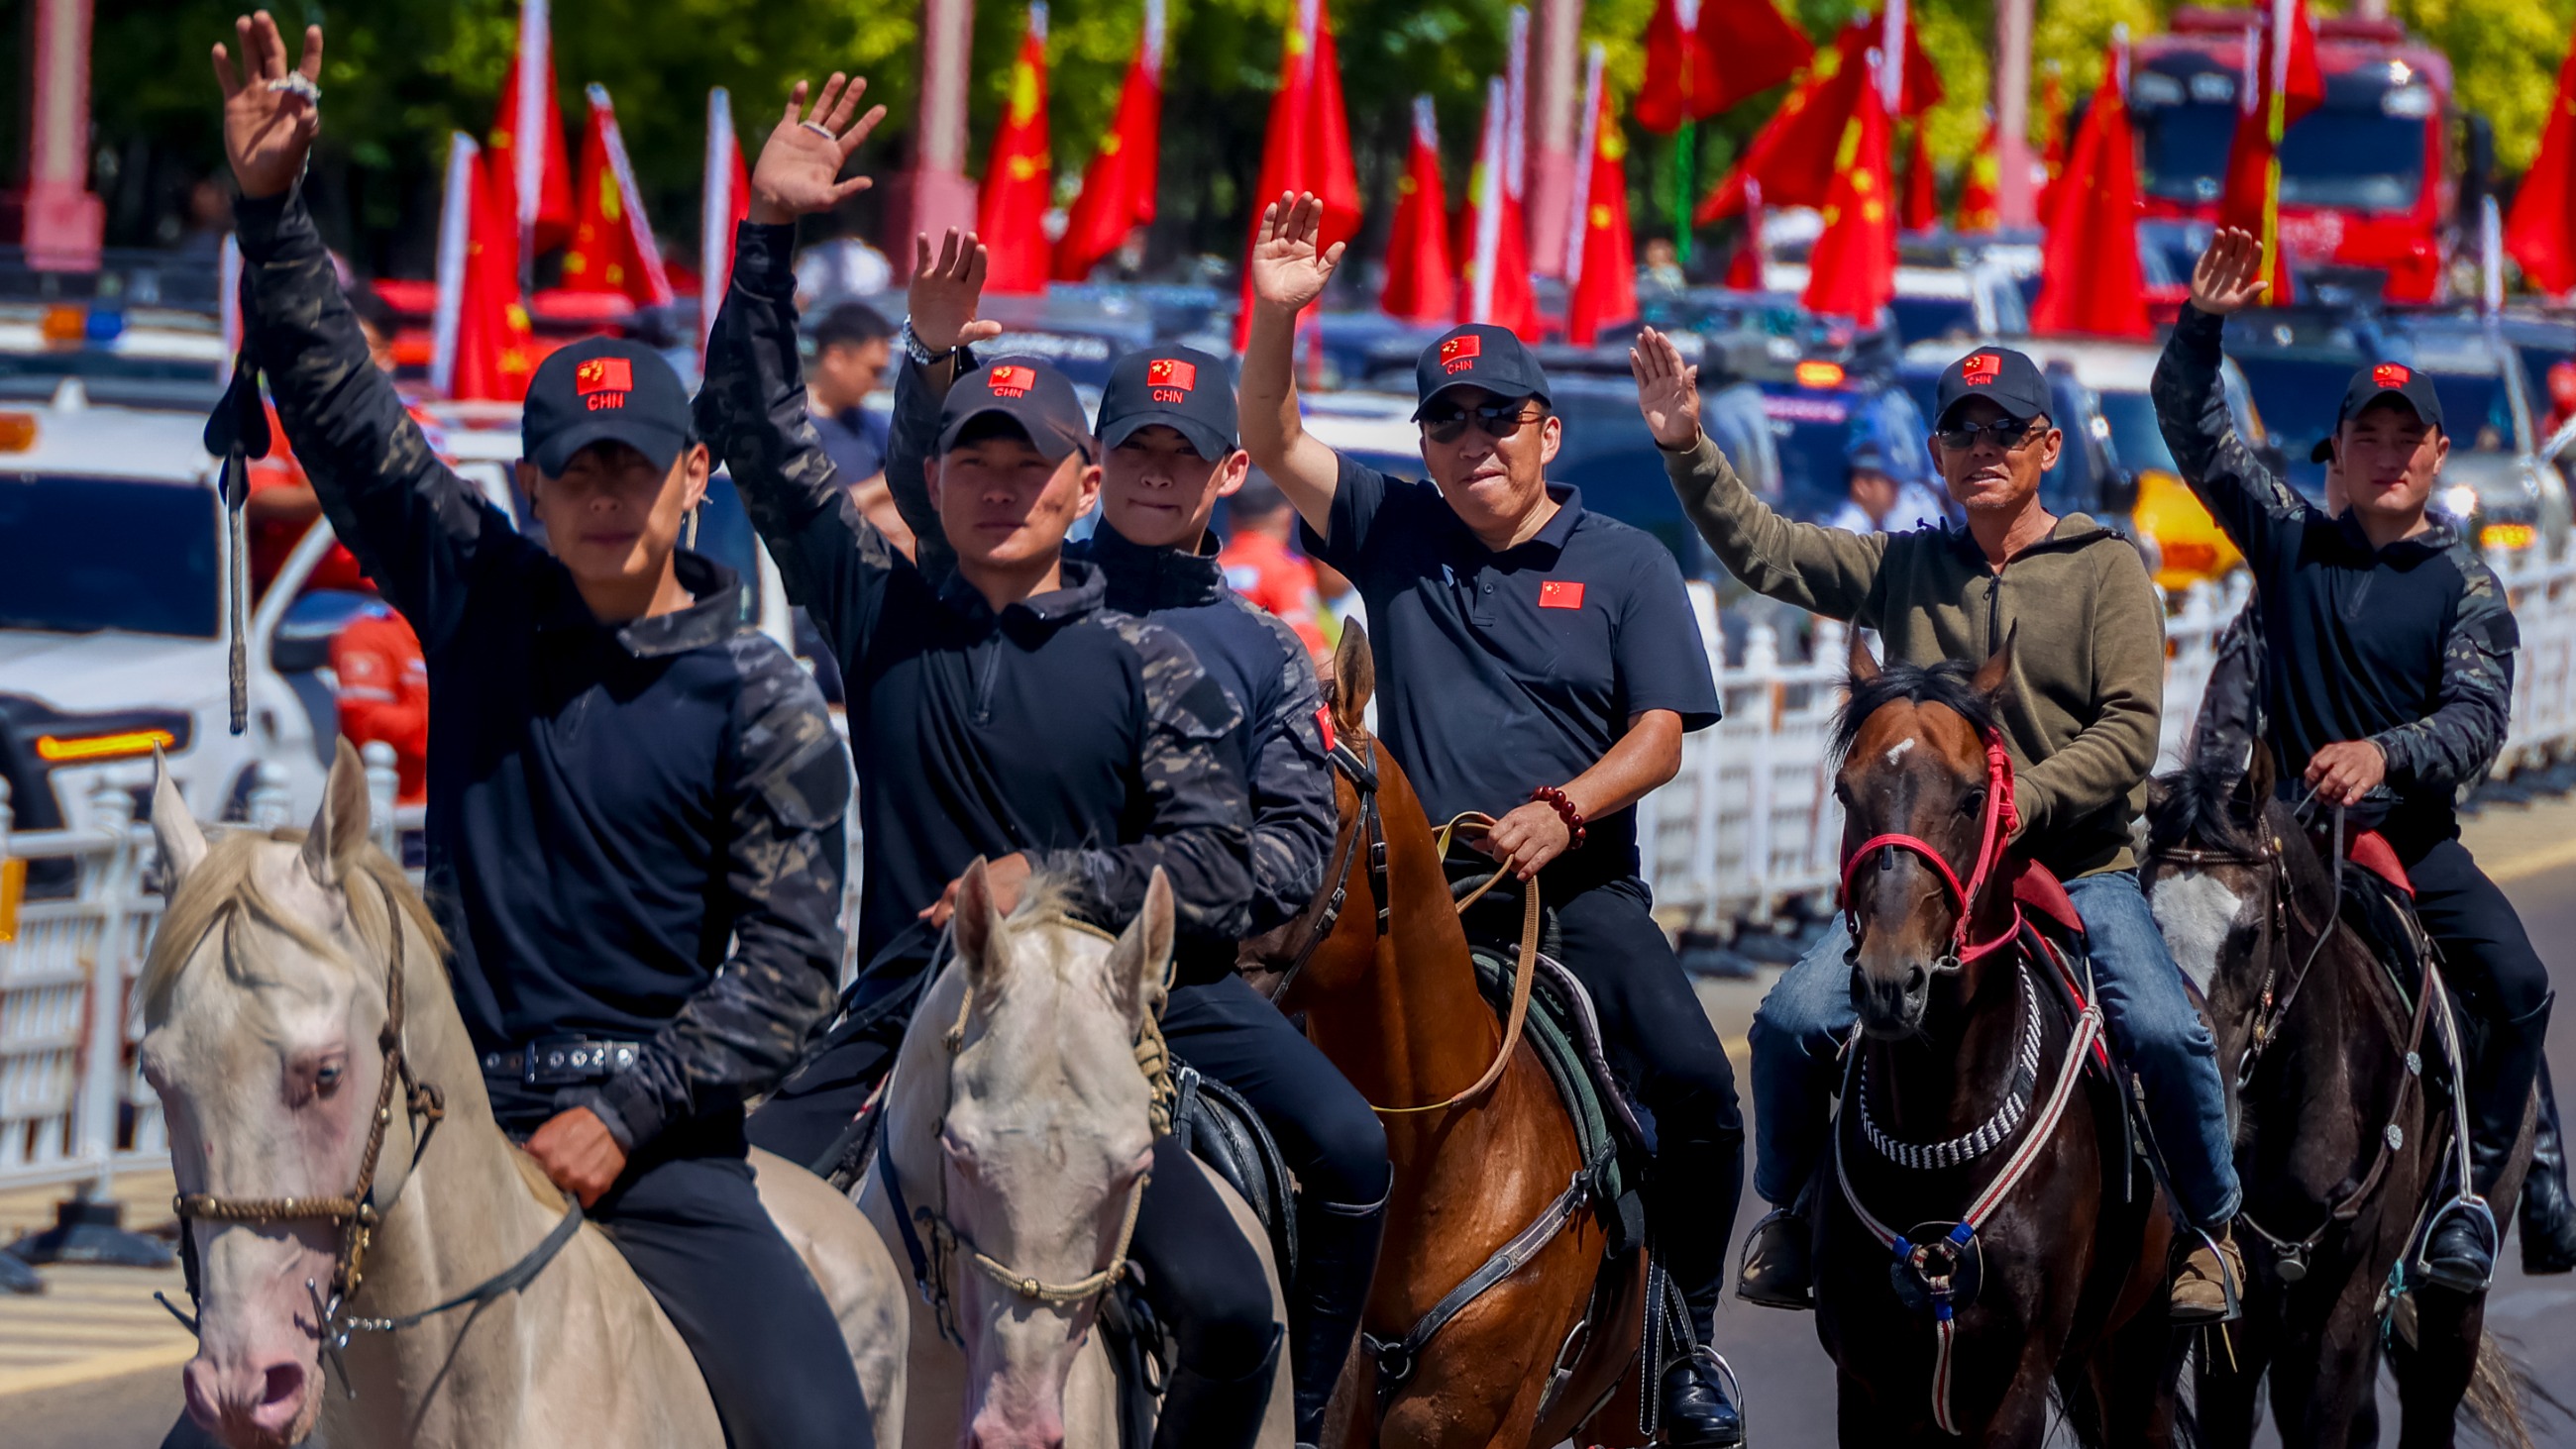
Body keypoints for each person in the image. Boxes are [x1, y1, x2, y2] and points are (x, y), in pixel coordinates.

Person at [212, 19, 874, 1448]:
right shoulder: (479, 599)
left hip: (669, 1160)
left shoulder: (758, 693)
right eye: (576, 471)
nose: (605, 497)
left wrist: (624, 1115)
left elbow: (788, 969)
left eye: (633, 467)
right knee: (214, 1417)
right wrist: (270, 213)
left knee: (817, 1426)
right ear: (530, 486)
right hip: (435, 1122)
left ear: (694, 475)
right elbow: (343, 411)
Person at [698, 75, 1281, 1446]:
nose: (1003, 485)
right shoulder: (878, 610)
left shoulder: (1147, 661)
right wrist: (768, 234)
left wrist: (1043, 876)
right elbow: (752, 425)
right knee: (711, 1262)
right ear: (934, 479)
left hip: (1088, 1051)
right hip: (886, 1026)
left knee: (1230, 1307)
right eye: (975, 460)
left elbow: (1219, 871)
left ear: (1082, 485)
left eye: (1033, 466)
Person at [1239, 194, 1745, 1446]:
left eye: (1495, 416)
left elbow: (1661, 733)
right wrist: (1276, 313)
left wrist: (1565, 810)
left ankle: (1685, 1343)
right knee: (1241, 1064)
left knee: (1695, 1085)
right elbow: (1268, 433)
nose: (1470, 440)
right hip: (1412, 904)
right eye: (1444, 419)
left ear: (1544, 430)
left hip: (1573, 898)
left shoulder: (1624, 560)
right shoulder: (1393, 530)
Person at [878, 231, 1387, 1446]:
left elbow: (1282, 859)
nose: (1159, 475)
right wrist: (931, 359)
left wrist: (1124, 906)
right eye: (1138, 451)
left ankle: (1303, 1412)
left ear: (1226, 472)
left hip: (1178, 979)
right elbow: (928, 486)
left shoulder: (1266, 649)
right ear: (1093, 465)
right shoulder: (1019, 571)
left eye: (1185, 455)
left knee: (1351, 1146)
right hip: (982, 977)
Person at [1646, 328, 2247, 1322]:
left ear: (2047, 446)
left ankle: (2211, 1231)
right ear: (1935, 454)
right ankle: (1792, 1213)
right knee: (1790, 1021)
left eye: (2004, 430)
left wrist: (2023, 803)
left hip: (2075, 863)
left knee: (2162, 1026)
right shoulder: (1906, 563)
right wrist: (1685, 445)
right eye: (1962, 432)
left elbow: (2128, 732)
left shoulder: (2104, 568)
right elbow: (1765, 549)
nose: (1983, 448)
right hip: (1928, 875)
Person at [2155, 228, 2554, 1293]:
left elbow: (2474, 721)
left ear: (2436, 453)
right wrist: (2201, 323)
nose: (2385, 452)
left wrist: (2383, 753)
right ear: (2334, 449)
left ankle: (2471, 1199)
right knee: (2153, 965)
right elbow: (2192, 427)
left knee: (2519, 984)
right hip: (2276, 844)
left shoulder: (2466, 588)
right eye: (2364, 434)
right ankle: (2159, 1202)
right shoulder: (2287, 540)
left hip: (2405, 845)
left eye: (2404, 436)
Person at [805, 300, 912, 555]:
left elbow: (906, 473)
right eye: (873, 371)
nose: (877, 383)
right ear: (836, 358)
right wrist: (860, 499)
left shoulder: (869, 424)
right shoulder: (791, 425)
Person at [1220, 474, 1333, 663]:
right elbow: (1307, 646)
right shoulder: (1286, 570)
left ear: (1232, 519)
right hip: (1263, 678)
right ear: (1285, 515)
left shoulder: (1213, 567)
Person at [1826, 439, 1946, 536]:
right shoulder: (1847, 532)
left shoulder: (1878, 523)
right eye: (1889, 481)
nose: (1896, 487)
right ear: (1862, 486)